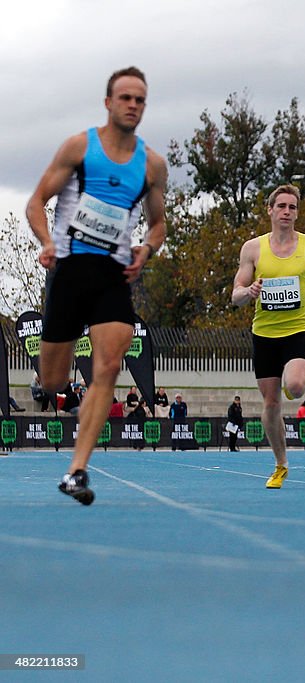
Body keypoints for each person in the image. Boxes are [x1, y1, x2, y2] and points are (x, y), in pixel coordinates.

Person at [26, 66, 167, 505]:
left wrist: (146, 249)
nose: (132, 105)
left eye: (140, 99)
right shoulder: (79, 147)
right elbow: (36, 202)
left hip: (113, 276)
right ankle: (47, 385)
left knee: (108, 366)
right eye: (125, 97)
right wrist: (47, 241)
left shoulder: (152, 165)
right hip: (68, 271)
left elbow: (159, 223)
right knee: (52, 383)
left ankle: (77, 470)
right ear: (108, 102)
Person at [231, 183, 305, 488]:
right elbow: (235, 295)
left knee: (294, 384)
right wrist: (249, 291)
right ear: (270, 210)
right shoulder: (252, 249)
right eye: (281, 206)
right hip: (264, 334)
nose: (286, 212)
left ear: (297, 212)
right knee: (270, 404)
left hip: (298, 330)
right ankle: (280, 464)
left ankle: (298, 378)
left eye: (292, 207)